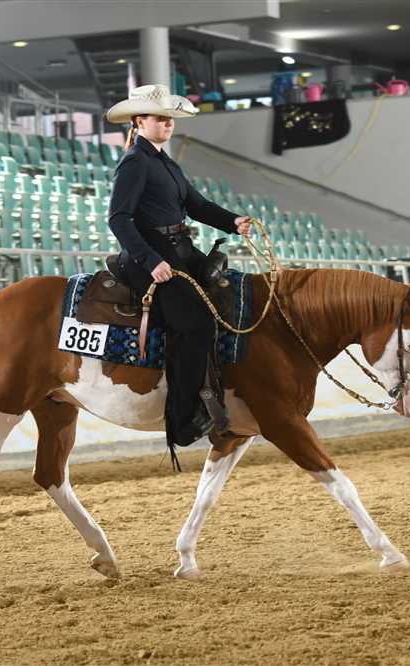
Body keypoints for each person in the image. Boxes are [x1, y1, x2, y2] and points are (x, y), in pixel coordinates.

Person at [104, 84, 253, 454]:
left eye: (170, 118)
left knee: (233, 293)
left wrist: (234, 222)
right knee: (196, 323)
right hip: (150, 257)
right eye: (160, 118)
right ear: (139, 122)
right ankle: (184, 417)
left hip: (180, 250)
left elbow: (197, 205)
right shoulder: (135, 162)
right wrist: (151, 261)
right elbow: (119, 219)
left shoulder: (165, 163)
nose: (168, 123)